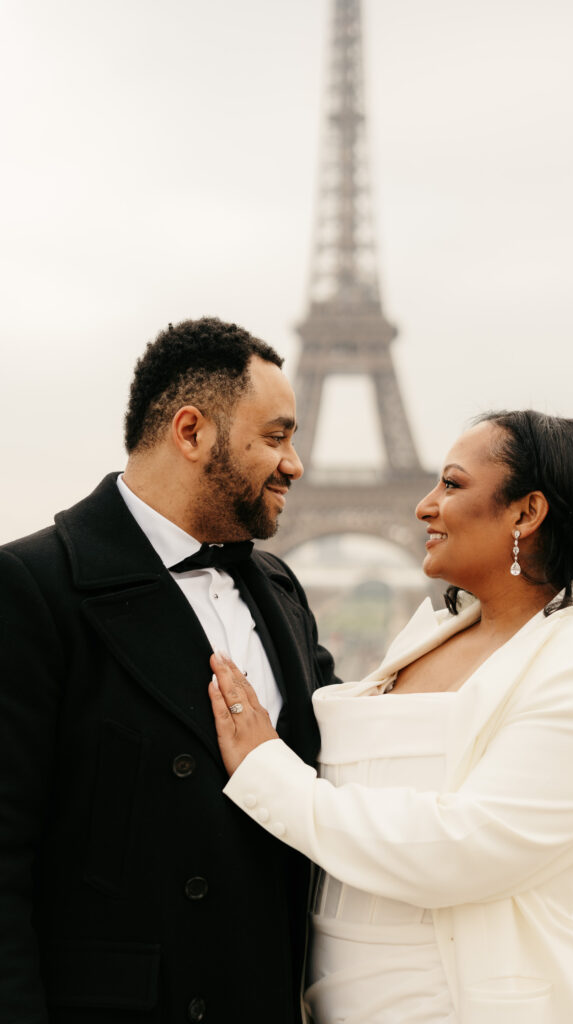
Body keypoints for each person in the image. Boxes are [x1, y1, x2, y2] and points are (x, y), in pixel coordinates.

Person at [209, 410, 573, 1024]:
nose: (424, 506)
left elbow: (462, 849)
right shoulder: (434, 639)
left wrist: (268, 775)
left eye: (451, 485)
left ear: (525, 514)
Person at [0, 317, 338, 1024]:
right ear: (191, 432)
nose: (296, 463)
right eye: (275, 436)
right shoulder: (31, 587)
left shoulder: (278, 589)